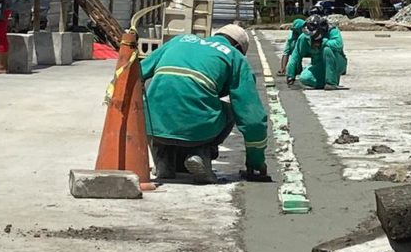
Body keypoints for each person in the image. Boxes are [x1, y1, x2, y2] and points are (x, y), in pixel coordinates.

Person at [140, 24, 268, 183]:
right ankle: (200, 153)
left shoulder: (179, 41)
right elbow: (253, 119)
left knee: (155, 94)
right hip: (198, 128)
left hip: (153, 124)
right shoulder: (234, 56)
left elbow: (137, 71)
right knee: (229, 111)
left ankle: (164, 159)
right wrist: (256, 163)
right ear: (237, 47)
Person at [286, 15, 342, 90]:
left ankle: (331, 82)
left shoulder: (332, 30)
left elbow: (339, 44)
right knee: (304, 78)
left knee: (327, 49)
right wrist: (290, 75)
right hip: (318, 64)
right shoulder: (304, 37)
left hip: (337, 62)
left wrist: (323, 42)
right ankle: (324, 80)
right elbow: (296, 55)